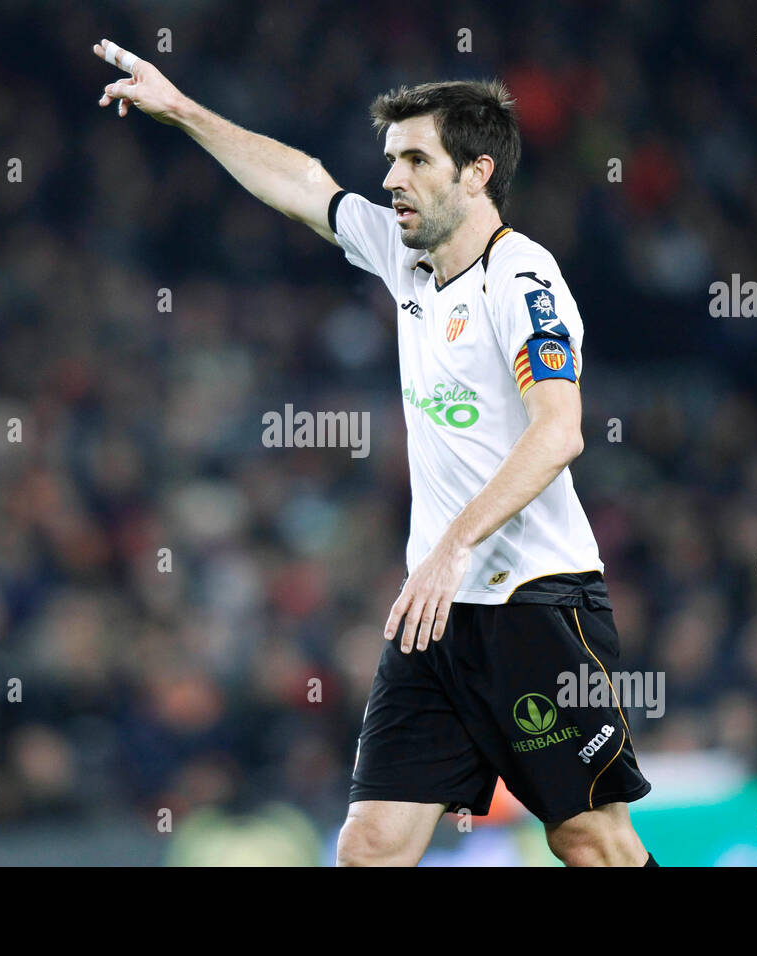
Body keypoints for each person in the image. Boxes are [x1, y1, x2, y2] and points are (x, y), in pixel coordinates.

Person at [95, 37, 656, 867]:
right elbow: (302, 184)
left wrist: (454, 545)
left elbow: (560, 431)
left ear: (475, 175)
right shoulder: (409, 260)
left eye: (413, 160)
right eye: (390, 159)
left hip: (534, 603)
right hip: (434, 615)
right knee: (369, 847)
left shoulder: (523, 281)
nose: (390, 179)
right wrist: (181, 109)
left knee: (590, 841)